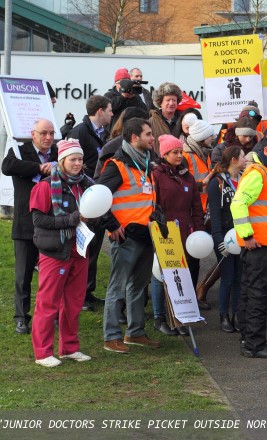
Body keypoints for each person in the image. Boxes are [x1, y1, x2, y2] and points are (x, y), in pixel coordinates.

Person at [96, 118, 161, 353]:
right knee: (117, 287)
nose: (152, 138)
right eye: (148, 134)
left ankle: (135, 333)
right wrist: (111, 225)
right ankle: (111, 336)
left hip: (146, 235)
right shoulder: (117, 165)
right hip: (126, 237)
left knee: (138, 287)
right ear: (135, 138)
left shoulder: (144, 163)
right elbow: (98, 196)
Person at [29, 139, 95, 367]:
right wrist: (71, 219)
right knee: (48, 303)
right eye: (73, 159)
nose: (78, 164)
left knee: (74, 303)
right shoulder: (46, 186)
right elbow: (38, 220)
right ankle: (42, 353)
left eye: (80, 159)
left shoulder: (86, 184)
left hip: (80, 250)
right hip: (54, 252)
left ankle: (69, 348)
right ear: (62, 160)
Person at [232, 135, 267, 358]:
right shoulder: (259, 173)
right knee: (257, 295)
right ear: (266, 151)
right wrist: (247, 235)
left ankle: (248, 340)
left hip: (259, 245)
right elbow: (238, 204)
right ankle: (255, 344)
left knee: (249, 293)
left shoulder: (264, 173)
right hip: (259, 245)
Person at [2, 118, 59, 335]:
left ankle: (50, 314)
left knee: (52, 274)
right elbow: (7, 167)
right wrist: (39, 168)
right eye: (44, 133)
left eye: (51, 133)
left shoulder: (57, 153)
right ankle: (21, 317)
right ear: (33, 134)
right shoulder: (19, 150)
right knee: (23, 274)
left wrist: (54, 166)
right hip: (26, 222)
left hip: (51, 222)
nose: (48, 138)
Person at [150, 135, 204, 336]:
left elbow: (196, 207)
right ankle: (159, 317)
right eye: (175, 152)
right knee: (160, 274)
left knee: (181, 274)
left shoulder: (187, 176)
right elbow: (153, 204)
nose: (179, 155)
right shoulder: (156, 175)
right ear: (164, 154)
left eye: (181, 152)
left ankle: (179, 316)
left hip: (185, 231)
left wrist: (198, 230)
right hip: (164, 230)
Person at [66, 95, 113, 311]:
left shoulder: (102, 133)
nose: (112, 114)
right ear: (100, 111)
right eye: (110, 110)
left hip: (97, 198)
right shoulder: (80, 131)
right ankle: (78, 294)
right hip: (83, 200)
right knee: (82, 249)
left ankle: (88, 290)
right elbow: (69, 162)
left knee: (93, 247)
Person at [207, 146, 246, 333]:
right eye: (242, 156)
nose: (245, 159)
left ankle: (237, 314)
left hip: (241, 235)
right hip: (224, 237)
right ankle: (223, 315)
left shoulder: (244, 179)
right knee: (228, 278)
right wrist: (218, 240)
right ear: (233, 160)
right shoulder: (217, 183)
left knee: (240, 278)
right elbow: (214, 214)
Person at [148, 83, 183, 150]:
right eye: (168, 100)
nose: (171, 103)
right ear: (160, 102)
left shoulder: (183, 121)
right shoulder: (151, 122)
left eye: (174, 100)